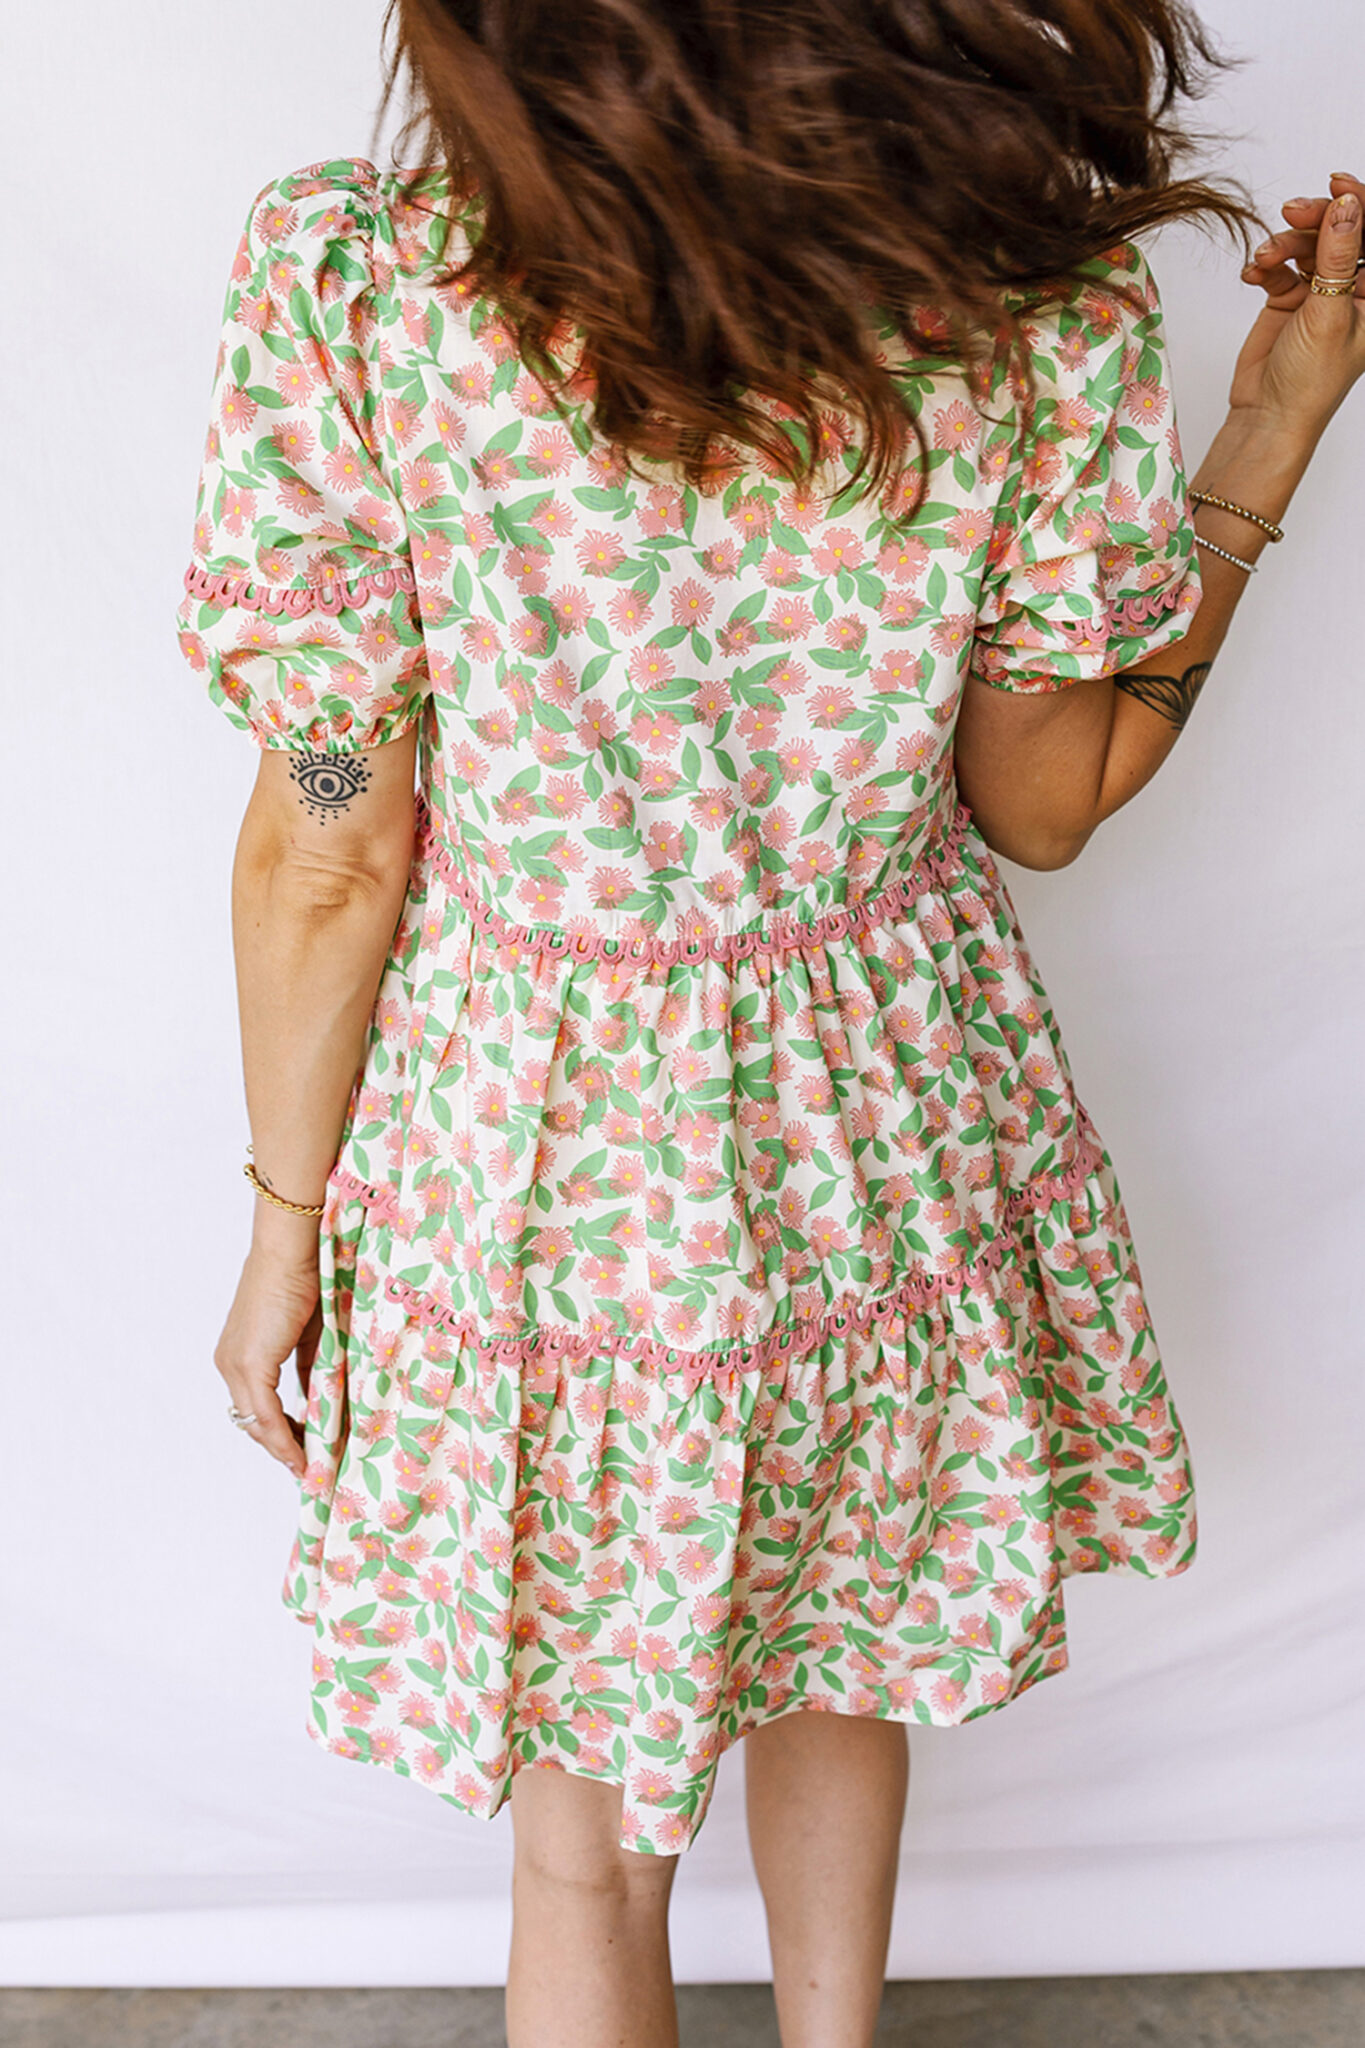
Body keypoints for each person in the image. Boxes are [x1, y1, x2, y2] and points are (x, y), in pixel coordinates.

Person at [172, 3, 1364, 2041]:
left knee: (583, 1845)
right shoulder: (1031, 311)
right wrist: (1267, 427)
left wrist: (286, 1223)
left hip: (532, 1159)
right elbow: (1043, 803)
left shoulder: (364, 283)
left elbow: (330, 841)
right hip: (878, 1116)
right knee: (843, 1658)